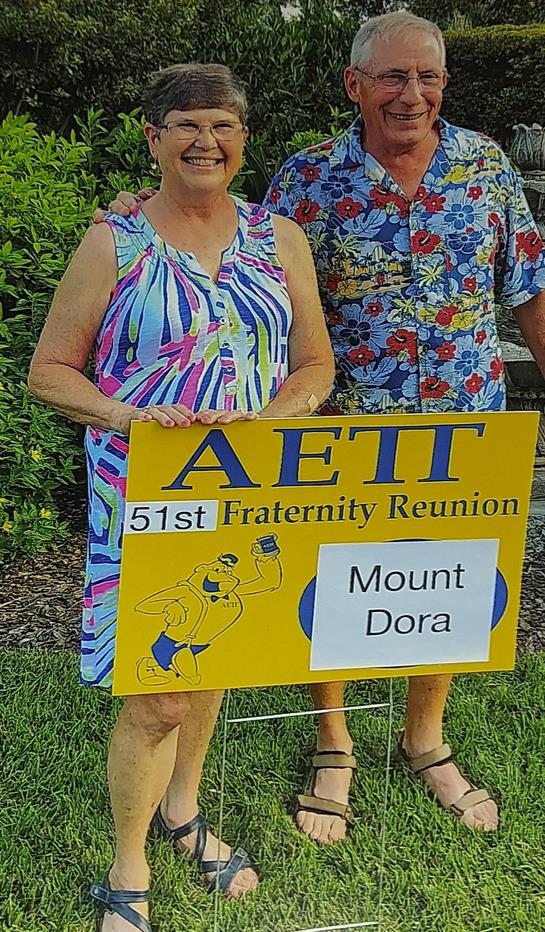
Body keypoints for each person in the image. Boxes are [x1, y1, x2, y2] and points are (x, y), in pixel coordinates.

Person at [104, 10, 545, 850]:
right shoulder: (309, 179)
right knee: (335, 588)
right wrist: (136, 210)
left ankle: (423, 740)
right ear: (354, 85)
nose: (410, 94)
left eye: (427, 77)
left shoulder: (485, 166)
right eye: (391, 76)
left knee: (446, 585)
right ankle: (333, 743)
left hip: (462, 426)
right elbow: (227, 242)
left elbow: (527, 284)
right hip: (340, 433)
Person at [28, 62, 334, 932]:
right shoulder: (114, 243)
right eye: (188, 125)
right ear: (153, 136)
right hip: (146, 493)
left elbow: (315, 363)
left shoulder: (281, 238)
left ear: (244, 138)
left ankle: (183, 812)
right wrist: (132, 416)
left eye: (225, 125)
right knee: (158, 689)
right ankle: (130, 863)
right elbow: (48, 372)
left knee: (213, 656)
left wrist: (275, 420)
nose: (207, 141)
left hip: (248, 490)